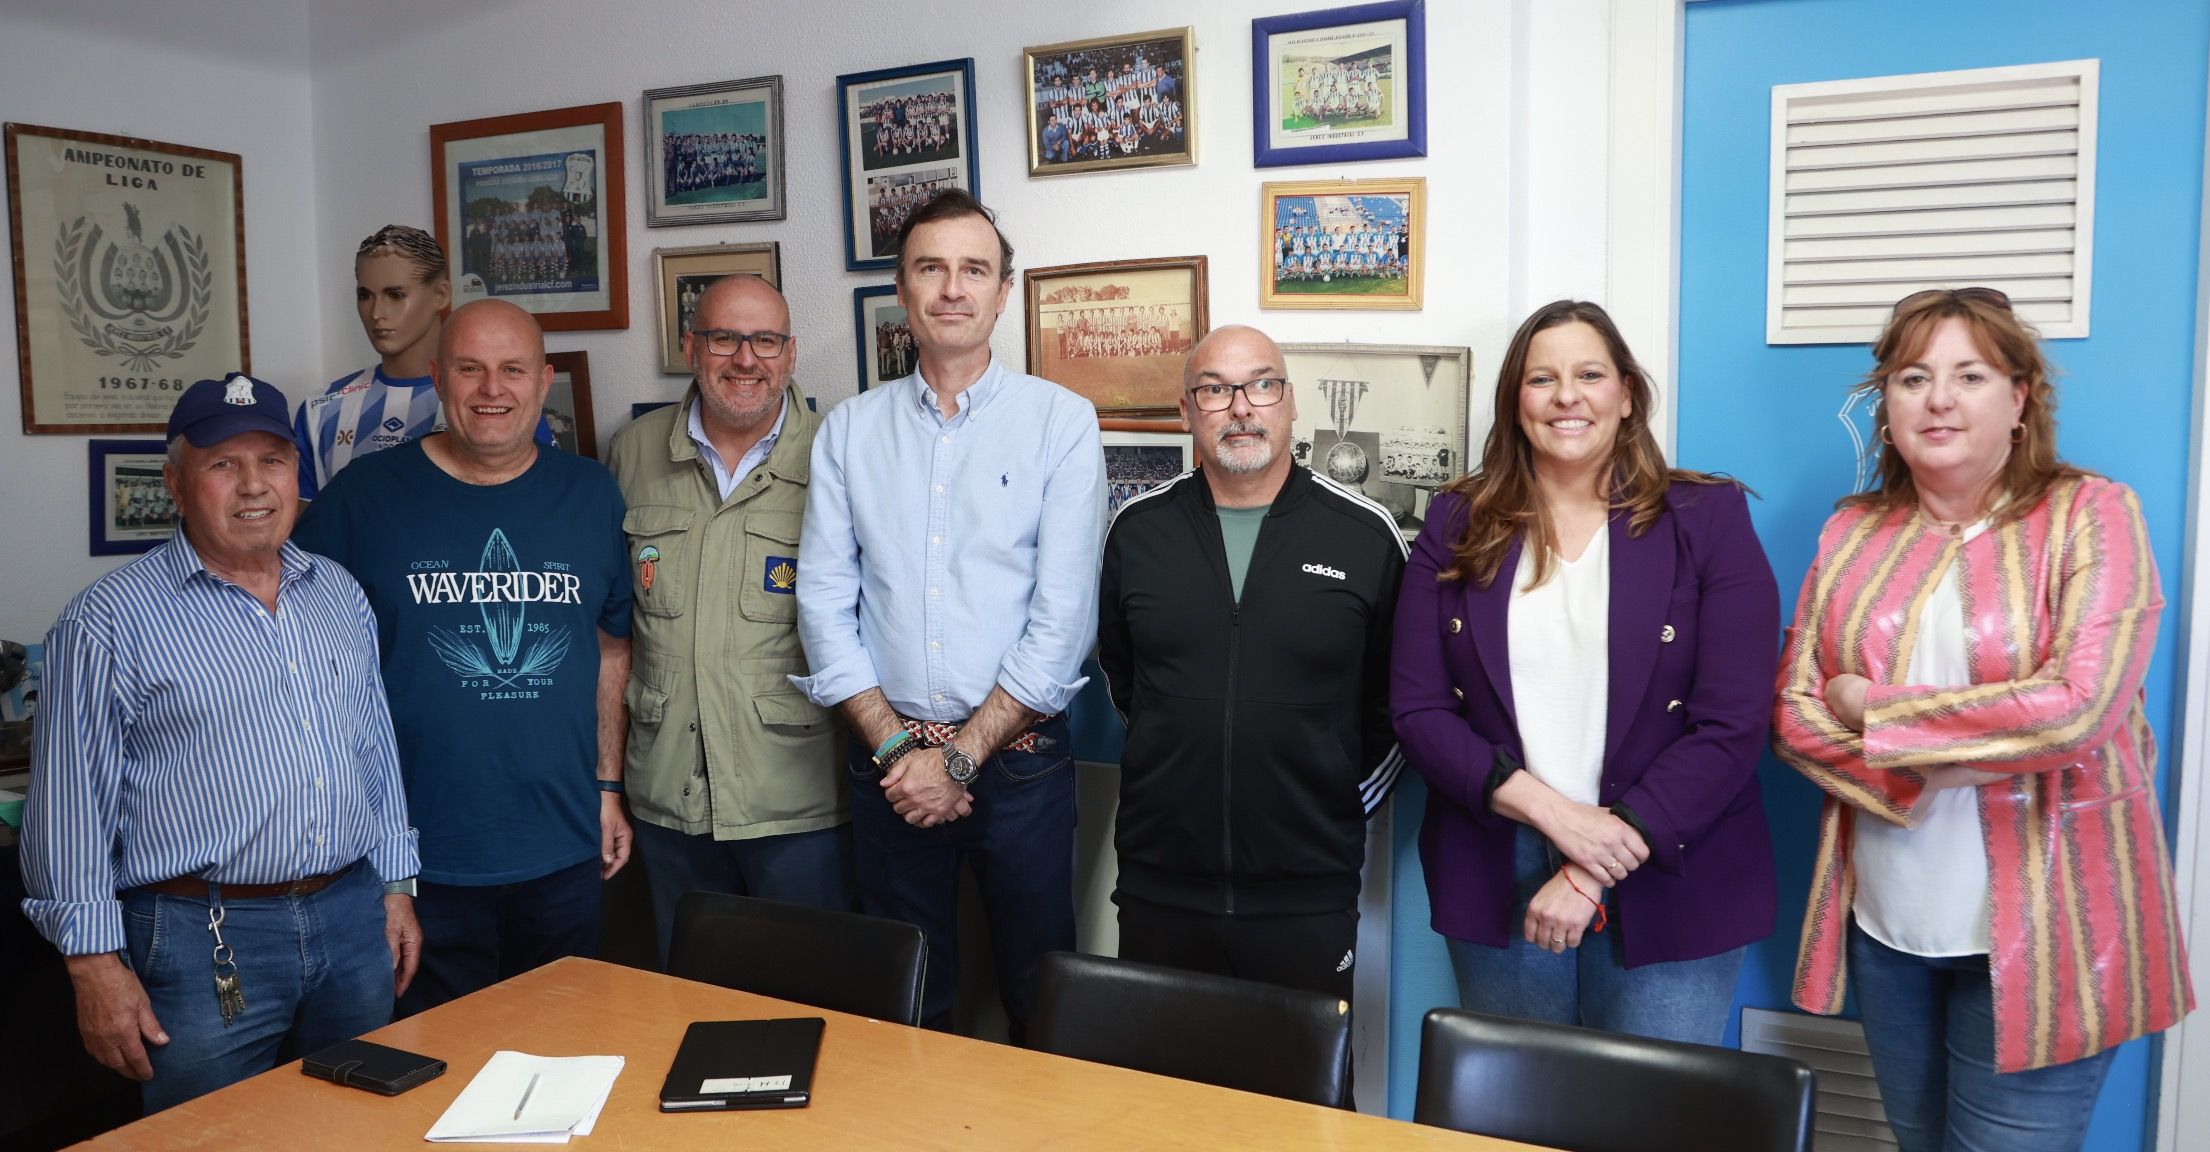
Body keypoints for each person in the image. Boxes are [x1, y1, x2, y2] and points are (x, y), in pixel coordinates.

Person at [1772, 288, 2193, 1152]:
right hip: (1890, 926)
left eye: (1970, 375)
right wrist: (1928, 763)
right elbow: (1793, 710)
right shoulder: (1852, 531)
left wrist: (1873, 707)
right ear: (1885, 406)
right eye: (1913, 376)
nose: (1939, 399)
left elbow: (2077, 708)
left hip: (2051, 937)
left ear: (2020, 397)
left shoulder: (2096, 515)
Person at [21, 374, 421, 1112]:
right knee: (208, 1136)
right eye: (221, 465)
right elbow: (69, 812)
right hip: (201, 939)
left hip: (351, 920)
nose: (253, 487)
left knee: (357, 1126)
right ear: (175, 484)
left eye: (272, 460)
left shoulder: (336, 591)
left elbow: (373, 748)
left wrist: (396, 886)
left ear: (297, 475)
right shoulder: (106, 623)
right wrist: (93, 969)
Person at [1392, 299, 1779, 1044]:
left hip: (1673, 866)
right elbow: (1418, 710)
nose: (1567, 396)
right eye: (1543, 378)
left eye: (1590, 374)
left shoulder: (1707, 518)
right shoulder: (1455, 521)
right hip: (1498, 864)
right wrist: (1555, 817)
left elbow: (1730, 724)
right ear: (1516, 401)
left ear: (1627, 394)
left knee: (1648, 1124)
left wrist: (1590, 864)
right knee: (1519, 1114)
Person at [794, 190, 1104, 1041]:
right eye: (932, 268)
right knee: (903, 1005)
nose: (953, 289)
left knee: (1041, 998)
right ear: (904, 288)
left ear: (1006, 291)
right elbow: (822, 601)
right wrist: (901, 751)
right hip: (886, 763)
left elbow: (1064, 620)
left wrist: (959, 760)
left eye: (975, 270)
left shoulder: (1062, 423)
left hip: (1021, 768)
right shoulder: (850, 431)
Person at [293, 300, 633, 1015]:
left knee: (561, 1051)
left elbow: (608, 649)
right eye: (470, 369)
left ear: (543, 383)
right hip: (413, 856)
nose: (492, 390)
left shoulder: (591, 493)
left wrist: (607, 788)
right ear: (437, 378)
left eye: (513, 370)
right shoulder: (362, 499)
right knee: (428, 1078)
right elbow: (293, 653)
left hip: (564, 845)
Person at [1098, 324, 1404, 1004]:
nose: (1241, 407)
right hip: (1160, 885)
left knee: (1305, 1104)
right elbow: (1128, 685)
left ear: (1291, 403)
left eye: (1262, 385)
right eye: (1214, 390)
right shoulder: (1138, 533)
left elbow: (1395, 704)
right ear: (1186, 412)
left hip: (1307, 892)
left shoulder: (1364, 535)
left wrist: (1325, 804)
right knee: (1152, 1102)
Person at [605, 274, 851, 966]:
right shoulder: (632, 453)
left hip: (797, 803)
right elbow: (612, 628)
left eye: (765, 340)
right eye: (724, 338)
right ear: (691, 346)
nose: (746, 359)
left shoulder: (838, 454)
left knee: (808, 1005)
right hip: (667, 802)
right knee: (685, 1003)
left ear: (792, 353)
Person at [294, 226, 553, 501]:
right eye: (365, 295)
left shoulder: (498, 405)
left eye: (396, 295)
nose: (377, 313)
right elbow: (304, 532)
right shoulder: (322, 410)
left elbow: (539, 508)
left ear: (441, 294)